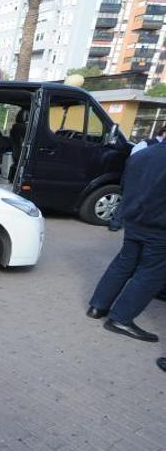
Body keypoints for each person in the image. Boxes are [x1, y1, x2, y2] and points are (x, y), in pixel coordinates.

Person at [88, 141, 166, 346]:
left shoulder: (140, 155)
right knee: (151, 274)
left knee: (124, 263)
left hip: (134, 220)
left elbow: (125, 187)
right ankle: (120, 319)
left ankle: (98, 307)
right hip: (160, 228)